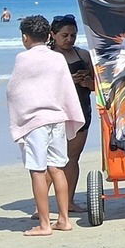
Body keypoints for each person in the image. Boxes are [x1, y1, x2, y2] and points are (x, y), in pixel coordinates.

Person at [7, 16, 84, 237]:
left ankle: (44, 224)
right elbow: (65, 88)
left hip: (36, 121)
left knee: (38, 171)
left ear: (24, 37)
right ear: (49, 35)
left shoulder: (23, 58)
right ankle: (64, 220)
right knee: (57, 168)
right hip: (57, 118)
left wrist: (18, 121)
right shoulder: (57, 58)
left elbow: (14, 91)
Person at [49, 15, 94, 208]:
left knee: (72, 158)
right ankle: (40, 204)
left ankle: (69, 201)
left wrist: (86, 82)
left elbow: (97, 86)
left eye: (73, 35)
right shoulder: (47, 57)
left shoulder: (83, 56)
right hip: (55, 112)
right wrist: (69, 81)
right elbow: (40, 88)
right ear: (53, 35)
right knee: (51, 160)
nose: (69, 39)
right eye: (64, 35)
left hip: (80, 110)